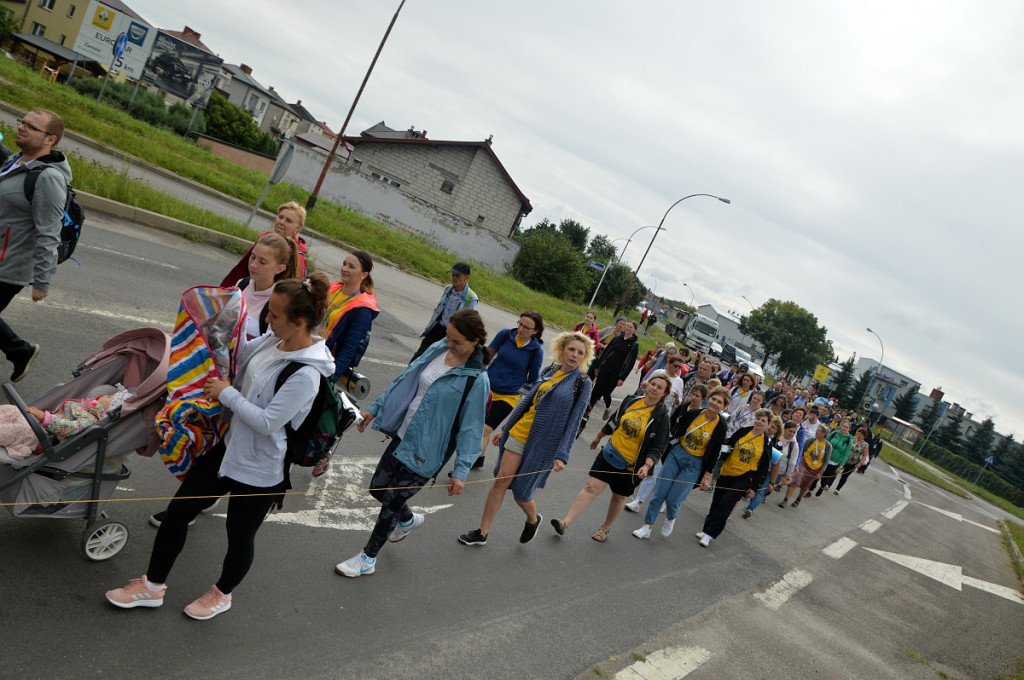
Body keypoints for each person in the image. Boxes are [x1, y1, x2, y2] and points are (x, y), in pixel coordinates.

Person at [106, 275, 335, 619]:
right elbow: (239, 355)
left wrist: (225, 392)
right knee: (178, 513)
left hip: (260, 470)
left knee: (239, 539)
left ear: (299, 322)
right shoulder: (275, 339)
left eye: (274, 314)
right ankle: (152, 588)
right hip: (227, 449)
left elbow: (267, 422)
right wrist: (219, 324)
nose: (267, 320)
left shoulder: (306, 375)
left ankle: (222, 594)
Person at [336, 309, 491, 577]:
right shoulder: (438, 348)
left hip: (427, 451)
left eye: (457, 341)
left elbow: (471, 428)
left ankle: (367, 558)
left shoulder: (476, 379)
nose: (450, 344)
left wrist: (462, 470)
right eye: (448, 336)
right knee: (378, 489)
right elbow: (405, 380)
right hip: (403, 434)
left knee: (391, 503)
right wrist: (376, 407)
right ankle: (407, 520)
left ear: (475, 341)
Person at [458, 331, 593, 546]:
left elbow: (575, 421)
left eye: (580, 352)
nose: (575, 355)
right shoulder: (550, 370)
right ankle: (482, 533)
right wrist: (506, 427)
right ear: (561, 349)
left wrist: (562, 455)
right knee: (501, 481)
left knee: (521, 493)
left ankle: (532, 519)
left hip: (544, 444)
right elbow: (527, 401)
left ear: (584, 357)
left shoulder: (583, 383)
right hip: (520, 433)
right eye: (571, 349)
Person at [550, 374, 670, 542]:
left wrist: (647, 465)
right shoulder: (631, 401)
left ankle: (605, 528)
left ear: (664, 394)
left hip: (630, 466)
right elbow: (615, 421)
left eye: (659, 387)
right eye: (653, 384)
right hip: (610, 453)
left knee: (619, 497)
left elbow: (658, 446)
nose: (654, 388)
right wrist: (599, 436)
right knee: (591, 487)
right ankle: (565, 522)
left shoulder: (662, 417)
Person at [0, 109, 71, 382]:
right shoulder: (16, 160)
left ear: (50, 139)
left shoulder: (49, 179)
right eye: (22, 122)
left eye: (31, 126)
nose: (22, 127)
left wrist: (42, 281)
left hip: (10, 265)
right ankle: (20, 352)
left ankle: (20, 351)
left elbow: (49, 232)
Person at [631, 386, 730, 539]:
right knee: (659, 493)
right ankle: (647, 526)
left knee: (673, 499)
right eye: (713, 399)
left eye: (719, 402)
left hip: (695, 464)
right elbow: (676, 432)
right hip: (677, 455)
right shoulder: (694, 414)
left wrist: (706, 476)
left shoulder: (721, 426)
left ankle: (671, 518)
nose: (715, 403)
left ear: (724, 407)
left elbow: (715, 452)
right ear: (708, 399)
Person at [318, 250, 379, 475]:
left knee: (318, 411)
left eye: (351, 267)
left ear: (364, 274)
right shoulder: (333, 288)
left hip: (328, 364)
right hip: (309, 352)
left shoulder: (362, 309)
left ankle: (325, 446)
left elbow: (348, 350)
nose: (345, 268)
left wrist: (329, 378)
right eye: (344, 263)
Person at [474, 311, 544, 470]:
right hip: (488, 388)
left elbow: (532, 380)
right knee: (476, 426)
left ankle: (465, 465)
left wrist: (520, 395)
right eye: (520, 324)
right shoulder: (506, 335)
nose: (521, 329)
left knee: (485, 429)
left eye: (527, 327)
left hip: (509, 397)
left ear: (535, 331)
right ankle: (479, 457)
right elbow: (489, 353)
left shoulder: (536, 352)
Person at [695, 408, 772, 548]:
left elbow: (763, 467)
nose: (759, 422)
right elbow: (728, 444)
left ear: (768, 424)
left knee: (726, 505)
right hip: (727, 471)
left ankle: (710, 534)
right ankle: (705, 529)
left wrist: (755, 487)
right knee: (716, 502)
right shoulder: (743, 431)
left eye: (763, 421)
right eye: (758, 418)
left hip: (745, 477)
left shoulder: (766, 443)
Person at [0, 385, 127, 460]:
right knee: (13, 410)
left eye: (110, 397)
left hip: (44, 438)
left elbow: (68, 428)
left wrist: (45, 417)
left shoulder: (91, 420)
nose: (102, 395)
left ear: (108, 410)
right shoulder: (83, 406)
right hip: (40, 426)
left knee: (18, 430)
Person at [220, 202, 309, 286]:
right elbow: (241, 271)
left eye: (288, 221)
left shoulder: (297, 255)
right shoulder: (265, 240)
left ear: (298, 228)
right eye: (280, 217)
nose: (281, 222)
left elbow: (294, 289)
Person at [235, 233, 299, 339]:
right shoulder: (241, 285)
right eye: (253, 257)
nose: (253, 265)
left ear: (280, 269)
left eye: (263, 262)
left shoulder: (280, 302)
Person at [410, 262, 478, 361]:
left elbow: (470, 324)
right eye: (453, 275)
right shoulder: (448, 289)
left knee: (437, 360)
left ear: (467, 277)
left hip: (450, 335)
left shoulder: (471, 298)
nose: (454, 278)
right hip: (436, 328)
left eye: (457, 275)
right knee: (420, 355)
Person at [587, 320, 639, 421]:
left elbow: (630, 363)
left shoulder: (634, 344)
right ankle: (587, 410)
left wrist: (622, 378)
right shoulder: (617, 338)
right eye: (627, 326)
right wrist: (598, 366)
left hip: (617, 373)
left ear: (634, 330)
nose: (628, 328)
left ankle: (608, 407)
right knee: (596, 389)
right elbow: (607, 351)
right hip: (606, 367)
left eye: (630, 327)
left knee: (606, 392)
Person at [778, 424, 831, 508]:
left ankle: (798, 499)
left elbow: (826, 460)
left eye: (819, 431)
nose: (816, 432)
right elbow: (802, 451)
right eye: (817, 430)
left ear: (824, 434)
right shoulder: (811, 440)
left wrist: (821, 472)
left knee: (806, 485)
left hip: (815, 468)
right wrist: (797, 463)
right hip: (804, 463)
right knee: (796, 480)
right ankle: (785, 500)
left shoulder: (828, 446)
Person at [816, 419, 853, 495]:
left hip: (835, 462)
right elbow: (825, 442)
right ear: (840, 426)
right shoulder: (834, 434)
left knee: (826, 477)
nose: (844, 428)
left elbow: (846, 454)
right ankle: (811, 488)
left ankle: (822, 487)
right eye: (843, 426)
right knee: (818, 473)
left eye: (846, 427)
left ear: (849, 429)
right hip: (825, 458)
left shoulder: (849, 440)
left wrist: (841, 465)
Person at [835, 427, 870, 493]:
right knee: (836, 471)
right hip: (843, 459)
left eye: (860, 435)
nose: (858, 436)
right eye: (858, 434)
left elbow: (865, 455)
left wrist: (860, 463)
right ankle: (828, 484)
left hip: (853, 463)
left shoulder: (865, 445)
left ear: (864, 436)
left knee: (844, 476)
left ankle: (838, 489)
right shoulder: (852, 439)